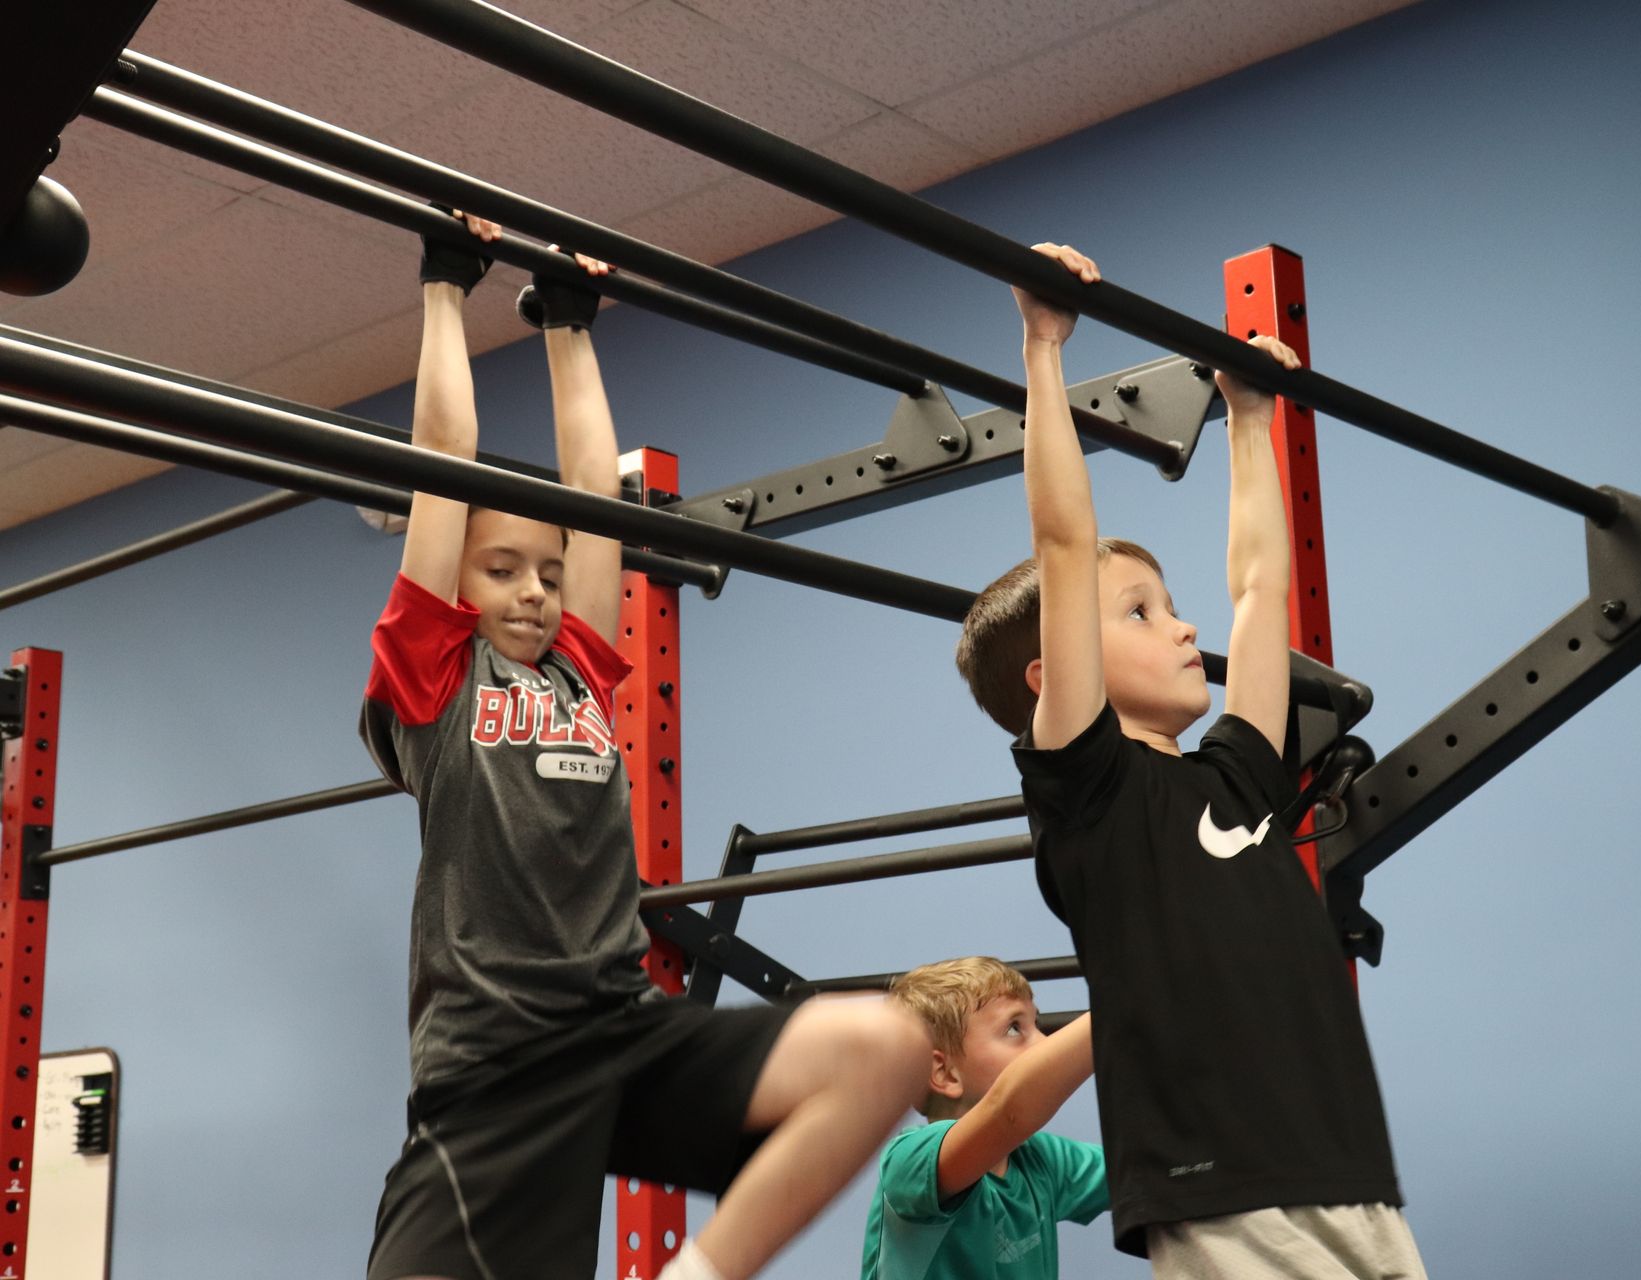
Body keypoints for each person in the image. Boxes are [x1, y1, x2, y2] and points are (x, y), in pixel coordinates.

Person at [360, 208, 928, 1280]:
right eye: (501, 570)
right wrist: (447, 281)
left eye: (546, 568)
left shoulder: (580, 663)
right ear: (453, 592)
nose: (533, 587)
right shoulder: (434, 678)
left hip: (621, 1028)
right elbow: (445, 460)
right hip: (494, 1069)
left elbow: (596, 498)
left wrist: (568, 320)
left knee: (887, 1044)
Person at [954, 243, 1425, 1279]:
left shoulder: (1238, 778)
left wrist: (1250, 419)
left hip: (1348, 1168)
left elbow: (1261, 589)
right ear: (1053, 673)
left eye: (1168, 607)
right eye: (1141, 612)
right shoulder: (1090, 790)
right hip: (1217, 1182)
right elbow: (1066, 547)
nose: (1182, 630)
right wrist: (1042, 345)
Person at [860, 956, 1106, 1279]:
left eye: (1037, 1023)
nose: (1044, 1043)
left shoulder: (1038, 1160)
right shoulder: (909, 1162)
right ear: (945, 1073)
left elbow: (1139, 1166)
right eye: (1015, 1028)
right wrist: (1121, 1008)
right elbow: (1010, 1110)